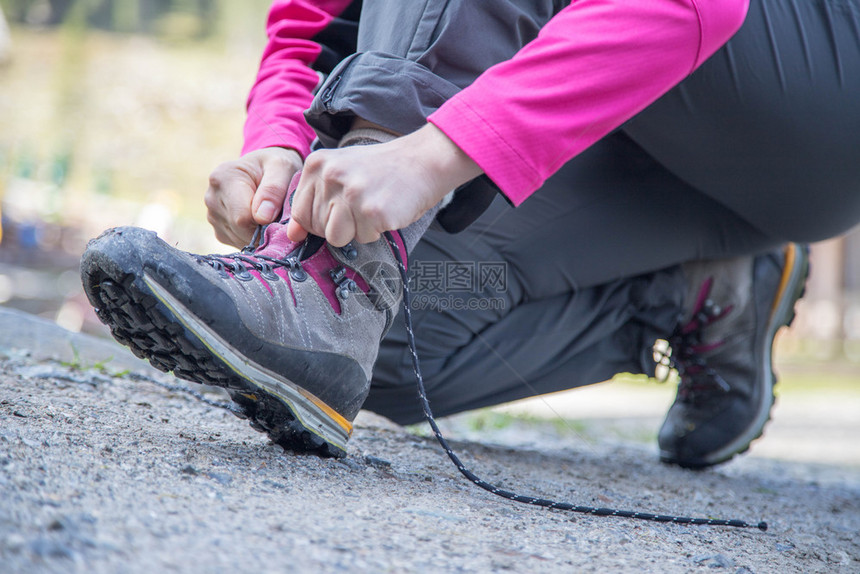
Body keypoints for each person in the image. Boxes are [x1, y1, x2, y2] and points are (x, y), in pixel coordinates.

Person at [82, 0, 859, 469]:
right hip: (637, 143)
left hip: (808, 97)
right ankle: (693, 295)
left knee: (351, 300)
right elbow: (312, 22)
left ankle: (341, 277)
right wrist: (280, 147)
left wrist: (430, 154)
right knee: (387, 339)